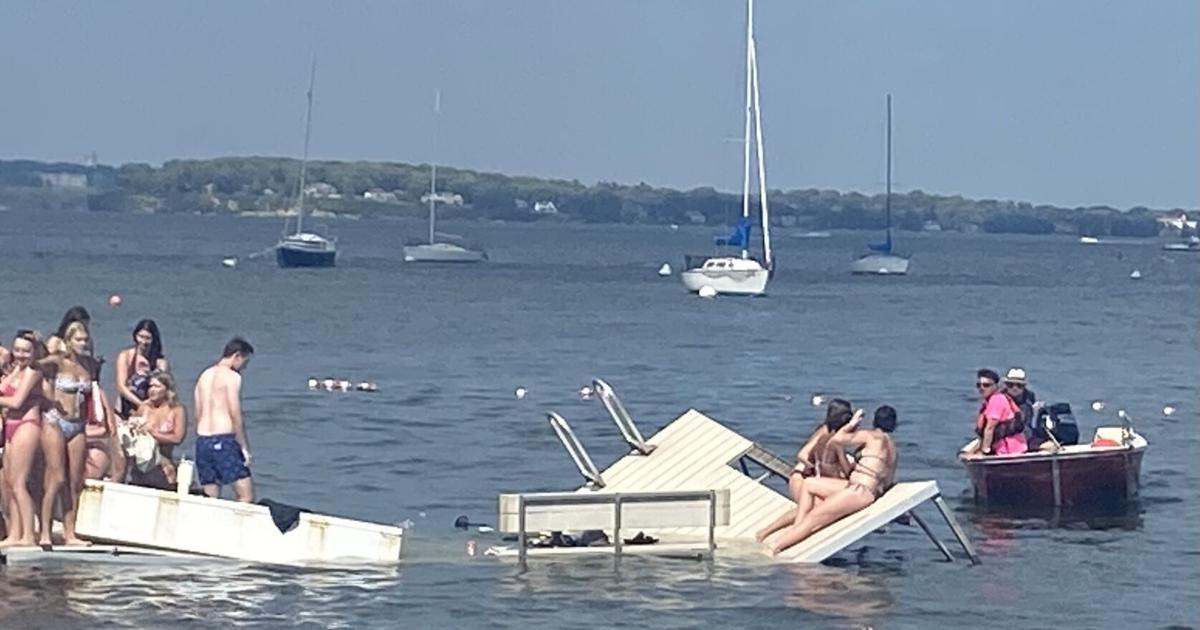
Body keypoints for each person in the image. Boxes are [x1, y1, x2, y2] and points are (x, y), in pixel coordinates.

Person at [767, 406, 899, 555]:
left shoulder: (871, 436)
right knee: (810, 483)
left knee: (815, 517)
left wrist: (852, 423)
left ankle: (775, 547)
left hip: (859, 491)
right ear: (894, 425)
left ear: (875, 421)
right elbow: (887, 480)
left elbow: (837, 439)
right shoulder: (893, 449)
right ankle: (798, 525)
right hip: (859, 488)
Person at [756, 399, 854, 543]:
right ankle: (767, 533)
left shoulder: (827, 431)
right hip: (801, 477)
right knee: (811, 509)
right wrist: (812, 467)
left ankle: (768, 533)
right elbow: (802, 455)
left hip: (801, 476)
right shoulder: (826, 434)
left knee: (808, 509)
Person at [36, 321, 98, 545]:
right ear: (68, 340)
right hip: (55, 422)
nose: (82, 343)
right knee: (56, 478)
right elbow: (35, 365)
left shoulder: (89, 365)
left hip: (77, 424)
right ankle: (45, 532)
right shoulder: (58, 361)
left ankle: (70, 533)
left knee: (74, 481)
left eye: (85, 339)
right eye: (78, 339)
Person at [193, 337, 254, 502]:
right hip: (224, 439)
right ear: (237, 356)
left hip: (203, 441)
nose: (243, 368)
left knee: (210, 497)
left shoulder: (204, 375)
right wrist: (243, 446)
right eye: (244, 362)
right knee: (245, 494)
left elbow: (197, 413)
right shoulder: (232, 377)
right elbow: (235, 412)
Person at [0, 331, 46, 547]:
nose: (20, 354)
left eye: (25, 351)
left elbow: (17, 401)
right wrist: (13, 367)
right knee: (9, 483)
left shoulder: (33, 371)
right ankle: (15, 534)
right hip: (10, 426)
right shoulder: (17, 369)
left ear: (34, 352)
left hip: (27, 425)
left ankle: (28, 535)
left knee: (19, 483)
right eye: (17, 350)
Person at [126, 370, 187, 489]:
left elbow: (177, 438)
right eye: (150, 386)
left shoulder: (177, 410)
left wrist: (152, 433)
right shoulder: (144, 408)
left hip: (164, 463)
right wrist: (133, 426)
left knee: (167, 471)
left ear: (167, 390)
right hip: (142, 462)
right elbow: (129, 431)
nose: (152, 390)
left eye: (157, 386)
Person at [115, 319, 170, 419]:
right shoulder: (126, 356)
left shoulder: (160, 362)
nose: (143, 342)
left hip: (152, 407)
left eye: (148, 338)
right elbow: (121, 386)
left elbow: (165, 388)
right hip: (127, 404)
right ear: (135, 336)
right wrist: (140, 404)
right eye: (141, 337)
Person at [969, 368, 1027, 456]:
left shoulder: (997, 400)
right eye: (979, 385)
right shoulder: (991, 401)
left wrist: (984, 452)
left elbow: (989, 429)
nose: (981, 388)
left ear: (996, 386)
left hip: (1009, 451)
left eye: (986, 385)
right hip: (1012, 448)